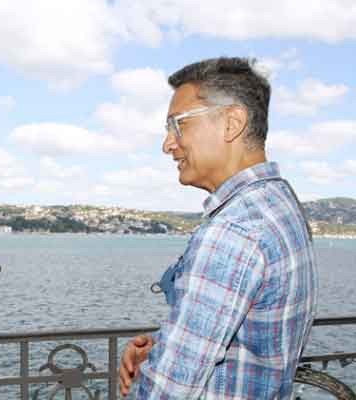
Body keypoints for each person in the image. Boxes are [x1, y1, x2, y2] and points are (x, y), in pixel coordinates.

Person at [119, 57, 318, 398]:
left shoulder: (233, 231)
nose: (167, 144)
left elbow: (168, 391)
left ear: (232, 123)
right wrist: (166, 348)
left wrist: (165, 371)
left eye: (178, 124)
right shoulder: (280, 204)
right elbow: (250, 345)